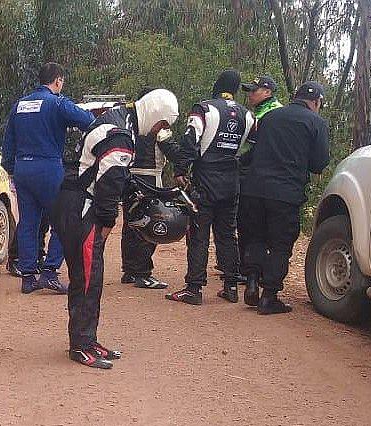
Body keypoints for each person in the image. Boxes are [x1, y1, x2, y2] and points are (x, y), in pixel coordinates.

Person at [52, 89, 179, 369]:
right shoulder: (121, 134)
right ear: (156, 114)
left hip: (74, 203)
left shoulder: (120, 120)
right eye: (163, 124)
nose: (161, 130)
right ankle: (81, 345)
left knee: (89, 277)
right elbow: (109, 185)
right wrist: (108, 223)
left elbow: (118, 178)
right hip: (81, 208)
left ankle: (87, 339)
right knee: (87, 278)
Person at [1, 62, 95, 294]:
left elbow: (8, 141)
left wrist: (12, 168)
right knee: (63, 221)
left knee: (28, 224)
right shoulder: (58, 103)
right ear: (58, 81)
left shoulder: (20, 105)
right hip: (48, 168)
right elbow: (88, 121)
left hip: (23, 170)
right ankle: (50, 272)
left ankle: (28, 277)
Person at [166, 70, 255, 305]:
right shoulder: (247, 115)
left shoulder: (204, 109)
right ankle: (231, 286)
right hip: (232, 181)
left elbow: (190, 140)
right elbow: (256, 146)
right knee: (227, 234)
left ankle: (194, 289)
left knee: (198, 234)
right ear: (236, 89)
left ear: (217, 85)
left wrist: (180, 170)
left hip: (205, 179)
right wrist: (239, 162)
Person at [240, 81, 330, 314]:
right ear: (316, 102)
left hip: (254, 188)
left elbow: (253, 152)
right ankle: (269, 295)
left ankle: (251, 281)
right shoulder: (316, 123)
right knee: (280, 244)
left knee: (255, 237)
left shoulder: (270, 117)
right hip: (285, 193)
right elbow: (319, 164)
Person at [121, 89, 184, 290]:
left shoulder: (129, 122)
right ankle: (142, 273)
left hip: (129, 177)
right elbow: (173, 151)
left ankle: (130, 270)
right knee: (151, 225)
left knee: (131, 225)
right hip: (149, 177)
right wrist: (187, 159)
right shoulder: (157, 126)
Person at [236, 75, 284, 277]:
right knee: (245, 221)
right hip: (253, 172)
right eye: (248, 91)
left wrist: (239, 162)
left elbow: (259, 148)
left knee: (253, 224)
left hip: (258, 174)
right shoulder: (259, 111)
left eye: (254, 91)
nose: (250, 95)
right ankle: (245, 266)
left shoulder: (273, 113)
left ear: (267, 92)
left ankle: (251, 270)